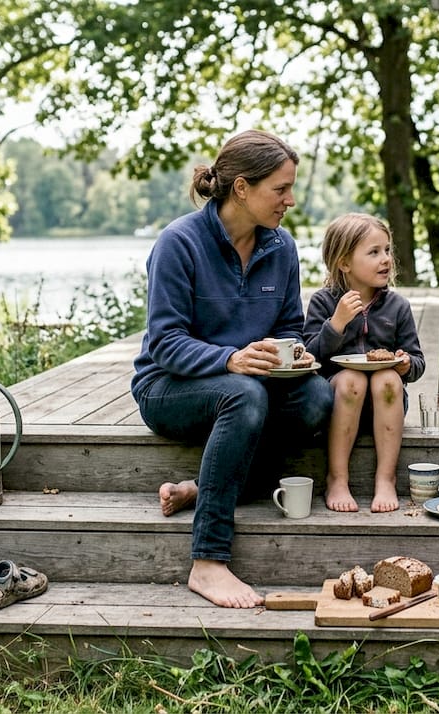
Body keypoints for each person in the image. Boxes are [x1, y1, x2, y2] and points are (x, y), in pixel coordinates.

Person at [129, 129, 334, 609]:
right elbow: (165, 343)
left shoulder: (281, 247)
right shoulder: (178, 243)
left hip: (249, 385)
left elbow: (289, 327)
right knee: (245, 395)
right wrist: (230, 359)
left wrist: (295, 355)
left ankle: (201, 489)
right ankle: (207, 560)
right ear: (242, 188)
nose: (290, 200)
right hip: (168, 386)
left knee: (317, 398)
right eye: (280, 189)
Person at [303, 213, 425, 513]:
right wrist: (336, 324)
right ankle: (337, 478)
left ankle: (386, 478)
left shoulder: (397, 306)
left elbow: (417, 361)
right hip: (341, 401)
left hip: (387, 403)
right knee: (351, 379)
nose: (386, 259)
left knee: (388, 378)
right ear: (344, 262)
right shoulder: (324, 302)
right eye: (374, 252)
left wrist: (405, 364)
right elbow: (310, 357)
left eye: (387, 250)